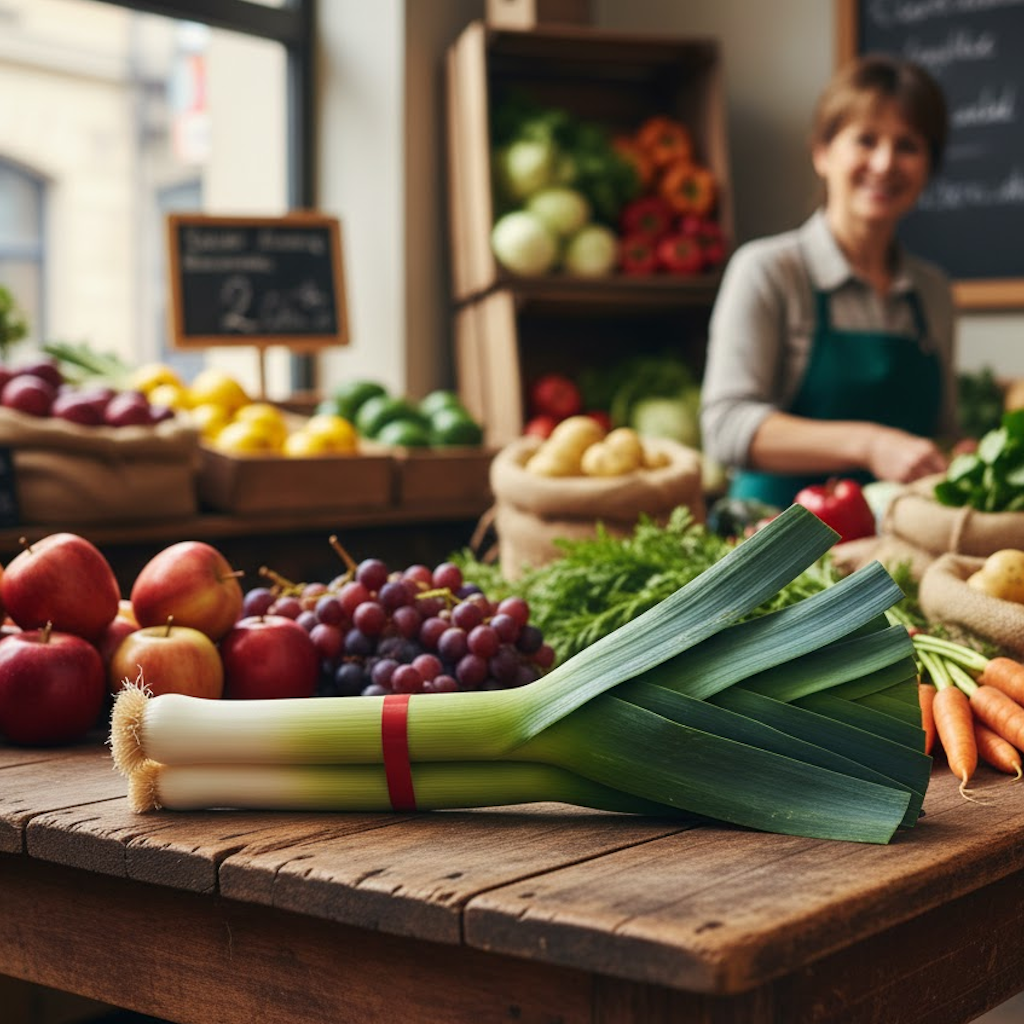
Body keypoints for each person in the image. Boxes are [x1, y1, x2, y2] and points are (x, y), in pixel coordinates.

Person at [700, 53, 958, 509]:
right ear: (822, 153)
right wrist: (870, 444)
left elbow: (940, 431)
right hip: (771, 543)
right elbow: (726, 426)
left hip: (894, 547)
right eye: (866, 140)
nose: (884, 163)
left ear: (928, 167)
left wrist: (961, 455)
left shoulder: (932, 291)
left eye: (908, 146)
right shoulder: (768, 270)